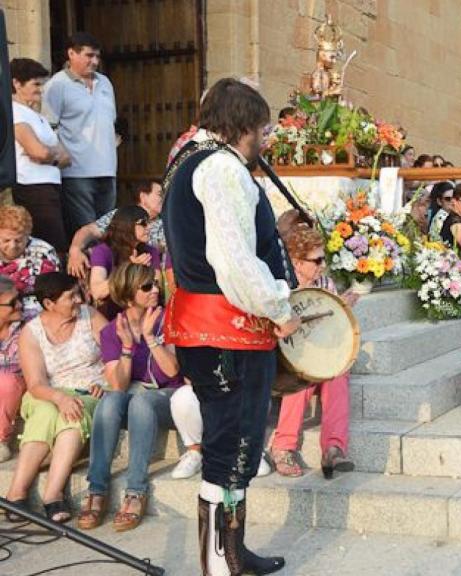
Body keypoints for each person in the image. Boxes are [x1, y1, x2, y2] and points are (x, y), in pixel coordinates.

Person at [162, 78, 295, 575]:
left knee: (233, 445)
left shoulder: (187, 160)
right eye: (262, 129)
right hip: (227, 329)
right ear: (244, 125)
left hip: (208, 327)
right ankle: (220, 566)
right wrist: (279, 308)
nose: (264, 139)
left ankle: (232, 553)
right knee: (231, 447)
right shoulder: (221, 168)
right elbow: (234, 261)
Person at [78, 264, 182, 532]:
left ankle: (136, 490)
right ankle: (97, 489)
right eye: (146, 287)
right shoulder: (112, 331)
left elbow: (172, 370)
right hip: (134, 397)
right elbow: (118, 385)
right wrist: (126, 347)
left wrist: (149, 337)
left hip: (170, 397)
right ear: (127, 296)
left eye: (155, 284)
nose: (155, 290)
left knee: (141, 401)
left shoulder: (168, 319)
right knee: (110, 401)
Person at [4, 272, 107, 523]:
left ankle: (53, 495)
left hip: (87, 390)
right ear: (49, 303)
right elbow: (36, 383)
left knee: (73, 416)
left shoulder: (91, 316)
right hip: (46, 392)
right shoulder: (32, 332)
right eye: (71, 297)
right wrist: (59, 398)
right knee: (45, 413)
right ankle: (16, 493)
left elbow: (114, 355)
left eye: (78, 294)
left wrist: (105, 380)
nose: (79, 300)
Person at [268, 224, 357, 478]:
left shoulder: (325, 283)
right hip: (285, 359)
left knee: (338, 372)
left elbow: (332, 328)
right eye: (316, 260)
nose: (322, 265)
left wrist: (342, 308)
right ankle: (282, 446)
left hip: (320, 350)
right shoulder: (281, 286)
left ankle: (333, 449)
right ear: (297, 262)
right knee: (302, 376)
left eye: (323, 259)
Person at [42, 32, 118, 235]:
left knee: (109, 231)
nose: (95, 62)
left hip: (107, 169)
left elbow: (109, 121)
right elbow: (49, 127)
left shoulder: (105, 83)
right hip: (76, 172)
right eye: (89, 55)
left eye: (97, 56)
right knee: (87, 232)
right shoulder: (57, 85)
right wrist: (62, 157)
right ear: (71, 54)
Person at [10, 58, 71, 253]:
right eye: (35, 84)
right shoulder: (15, 113)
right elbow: (38, 151)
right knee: (51, 244)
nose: (41, 89)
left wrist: (48, 156)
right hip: (32, 187)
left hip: (50, 187)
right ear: (17, 83)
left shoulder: (37, 117)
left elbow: (66, 157)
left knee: (57, 241)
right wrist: (50, 155)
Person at [67, 180, 166, 279]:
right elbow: (89, 230)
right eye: (160, 194)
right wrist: (75, 250)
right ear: (143, 197)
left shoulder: (166, 221)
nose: (164, 198)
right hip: (115, 273)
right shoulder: (121, 216)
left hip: (156, 271)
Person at [89, 205, 163, 320]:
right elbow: (97, 292)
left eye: (149, 223)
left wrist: (140, 272)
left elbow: (157, 287)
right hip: (114, 316)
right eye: (143, 223)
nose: (149, 227)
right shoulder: (103, 251)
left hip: (147, 314)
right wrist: (128, 268)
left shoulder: (150, 251)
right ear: (127, 225)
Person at [0, 205, 60, 318]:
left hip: (34, 311)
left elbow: (50, 291)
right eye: (6, 240)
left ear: (28, 235)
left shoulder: (44, 251)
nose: (12, 246)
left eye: (18, 240)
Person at [0, 276, 25, 463]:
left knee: (8, 381)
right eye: (12, 302)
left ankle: (1, 440)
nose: (19, 305)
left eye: (20, 298)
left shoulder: (28, 326)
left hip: (19, 386)